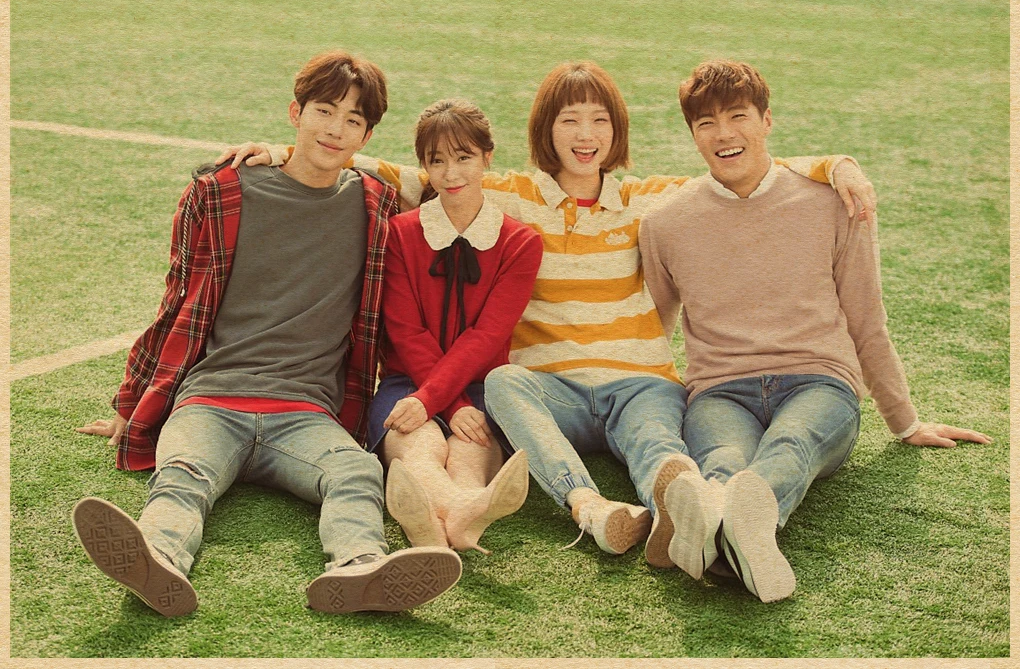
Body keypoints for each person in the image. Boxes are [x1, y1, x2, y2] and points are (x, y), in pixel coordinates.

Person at [219, 60, 877, 565]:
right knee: (506, 384)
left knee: (658, 442)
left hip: (636, 379)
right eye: (569, 121)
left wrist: (833, 164)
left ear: (616, 130)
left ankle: (678, 516)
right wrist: (287, 152)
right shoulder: (506, 192)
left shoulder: (649, 198)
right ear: (546, 130)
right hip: (550, 384)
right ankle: (587, 506)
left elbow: (739, 167)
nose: (585, 136)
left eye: (598, 121)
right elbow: (411, 173)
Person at [73, 50, 462, 617]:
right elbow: (177, 301)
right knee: (182, 476)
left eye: (352, 120)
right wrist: (130, 405)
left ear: (367, 136)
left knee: (357, 471)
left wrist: (295, 153)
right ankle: (156, 559)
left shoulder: (375, 203)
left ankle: (359, 569)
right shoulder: (222, 193)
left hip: (306, 412)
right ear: (295, 113)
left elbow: (455, 180)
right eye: (323, 111)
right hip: (211, 400)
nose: (335, 129)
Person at [638, 59, 992, 603]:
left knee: (793, 441)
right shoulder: (665, 222)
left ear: (766, 120)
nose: (724, 134)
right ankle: (737, 541)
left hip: (819, 383)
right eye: (706, 123)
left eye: (738, 116)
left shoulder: (833, 202)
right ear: (693, 134)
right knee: (725, 460)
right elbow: (654, 330)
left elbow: (866, 318)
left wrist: (905, 421)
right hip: (719, 390)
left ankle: (718, 531)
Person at [369, 100, 542, 554]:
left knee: (468, 453)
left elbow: (487, 336)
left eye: (463, 157)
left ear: (487, 157)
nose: (450, 174)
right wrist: (439, 402)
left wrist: (451, 401)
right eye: (437, 161)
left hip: (483, 386)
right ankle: (461, 515)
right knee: (421, 446)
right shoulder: (399, 234)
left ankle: (428, 526)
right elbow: (406, 332)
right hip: (408, 381)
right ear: (424, 166)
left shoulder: (521, 243)